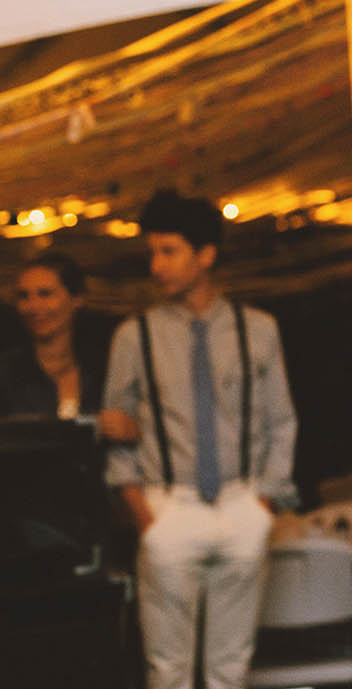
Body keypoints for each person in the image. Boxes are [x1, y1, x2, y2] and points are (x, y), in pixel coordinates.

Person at [103, 190, 298, 689]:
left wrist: (262, 504)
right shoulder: (135, 335)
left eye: (169, 251)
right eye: (153, 252)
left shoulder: (258, 329)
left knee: (231, 666)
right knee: (167, 669)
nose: (156, 265)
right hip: (171, 507)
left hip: (239, 504)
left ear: (205, 255)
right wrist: (145, 516)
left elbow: (281, 420)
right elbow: (115, 427)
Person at [0, 251, 136, 440]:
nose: (33, 306)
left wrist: (134, 430)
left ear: (76, 299)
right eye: (24, 296)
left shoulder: (105, 369)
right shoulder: (7, 373)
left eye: (45, 294)